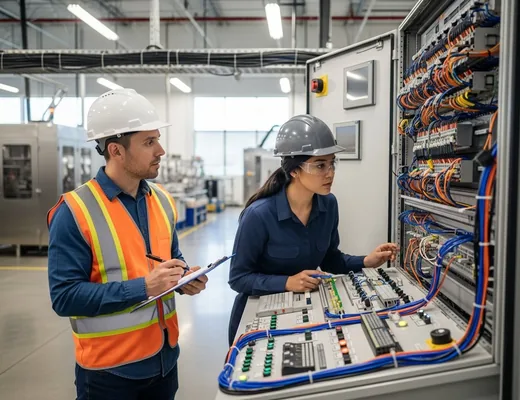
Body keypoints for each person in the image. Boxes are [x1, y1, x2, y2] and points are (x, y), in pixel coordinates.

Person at [47, 88, 208, 400]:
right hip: (111, 374)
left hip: (164, 361)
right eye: (149, 142)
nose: (160, 150)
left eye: (157, 139)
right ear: (116, 151)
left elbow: (170, 258)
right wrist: (144, 287)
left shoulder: (161, 199)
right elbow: (64, 297)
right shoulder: (74, 211)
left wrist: (184, 277)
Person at [227, 114, 397, 345]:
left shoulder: (328, 204)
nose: (330, 173)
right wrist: (286, 282)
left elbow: (330, 260)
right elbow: (238, 278)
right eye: (320, 165)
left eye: (331, 163)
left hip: (304, 311)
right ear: (294, 170)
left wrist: (366, 260)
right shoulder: (259, 215)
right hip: (258, 318)